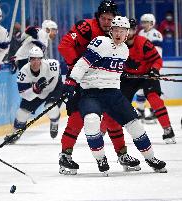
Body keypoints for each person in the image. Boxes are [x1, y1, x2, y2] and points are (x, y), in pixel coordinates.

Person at [63, 16, 167, 175]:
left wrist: (124, 73)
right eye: (116, 30)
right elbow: (83, 63)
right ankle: (100, 158)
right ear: (111, 31)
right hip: (91, 92)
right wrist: (71, 81)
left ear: (127, 34)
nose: (119, 34)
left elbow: (111, 70)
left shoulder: (124, 50)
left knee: (135, 125)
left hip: (112, 93)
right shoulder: (101, 43)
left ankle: (151, 158)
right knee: (91, 121)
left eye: (123, 31)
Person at [58, 0, 140, 175]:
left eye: (110, 19)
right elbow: (64, 45)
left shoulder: (115, 34)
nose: (106, 22)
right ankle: (65, 155)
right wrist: (76, 71)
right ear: (98, 17)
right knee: (77, 118)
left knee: (113, 117)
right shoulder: (85, 27)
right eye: (103, 18)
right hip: (81, 81)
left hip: (103, 84)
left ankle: (122, 154)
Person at [115, 18, 176, 144]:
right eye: (125, 30)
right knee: (117, 103)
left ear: (135, 30)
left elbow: (157, 60)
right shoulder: (118, 44)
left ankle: (167, 129)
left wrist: (154, 70)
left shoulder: (143, 43)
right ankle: (105, 131)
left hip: (147, 75)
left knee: (154, 99)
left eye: (131, 29)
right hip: (129, 78)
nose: (128, 32)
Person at [4, 46, 63, 143]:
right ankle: (16, 133)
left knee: (51, 108)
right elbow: (23, 94)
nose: (35, 62)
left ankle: (54, 121)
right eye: (33, 59)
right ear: (29, 59)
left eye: (38, 59)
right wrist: (35, 89)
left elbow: (64, 74)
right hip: (36, 93)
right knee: (21, 113)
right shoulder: (24, 72)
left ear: (42, 59)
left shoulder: (53, 65)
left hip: (54, 89)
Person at [134, 14, 163, 122]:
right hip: (142, 67)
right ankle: (140, 111)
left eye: (146, 22)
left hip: (152, 67)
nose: (144, 24)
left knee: (152, 91)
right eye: (143, 22)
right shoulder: (141, 33)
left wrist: (153, 68)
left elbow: (157, 54)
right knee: (140, 90)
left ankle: (154, 112)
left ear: (152, 23)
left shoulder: (156, 34)